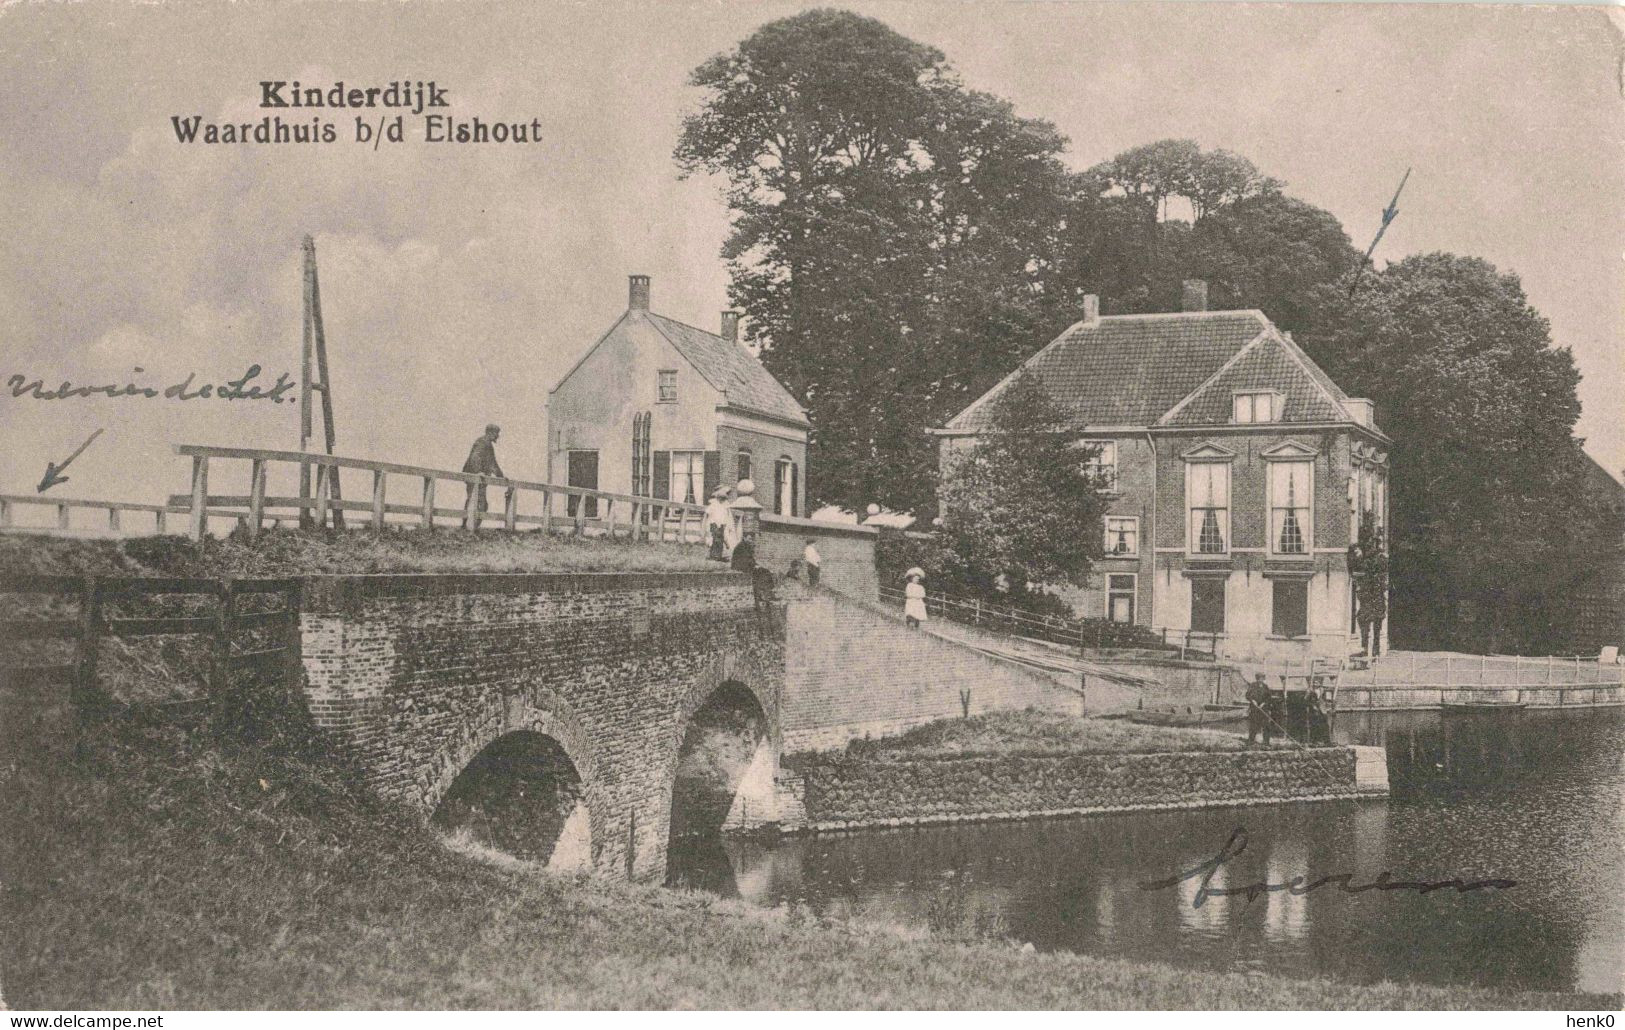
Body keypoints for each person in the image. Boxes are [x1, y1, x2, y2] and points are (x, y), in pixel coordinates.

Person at [462, 424, 504, 526]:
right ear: (490, 433)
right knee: (476, 501)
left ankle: (469, 526)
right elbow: (475, 457)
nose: (497, 436)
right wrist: (478, 471)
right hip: (474, 476)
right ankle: (468, 526)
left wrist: (501, 477)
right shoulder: (482, 442)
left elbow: (492, 463)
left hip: (480, 479)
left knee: (480, 503)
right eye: (496, 433)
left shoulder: (488, 444)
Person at [703, 488, 731, 562]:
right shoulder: (713, 505)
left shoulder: (723, 507)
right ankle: (713, 555)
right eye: (721, 498)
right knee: (715, 540)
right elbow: (707, 513)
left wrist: (724, 525)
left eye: (724, 499)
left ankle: (718, 555)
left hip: (721, 525)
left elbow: (724, 517)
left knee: (720, 540)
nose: (722, 500)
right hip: (714, 524)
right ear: (718, 498)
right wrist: (708, 524)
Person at [1245, 673, 1273, 746]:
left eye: (1262, 678)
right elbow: (1247, 695)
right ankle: (1251, 741)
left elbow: (1269, 697)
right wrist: (1253, 701)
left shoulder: (1265, 687)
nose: (1260, 680)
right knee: (1254, 725)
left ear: (1263, 679)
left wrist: (1263, 703)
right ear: (1256, 679)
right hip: (1255, 709)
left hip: (1264, 709)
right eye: (1259, 678)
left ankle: (1266, 742)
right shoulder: (1252, 685)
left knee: (1266, 726)